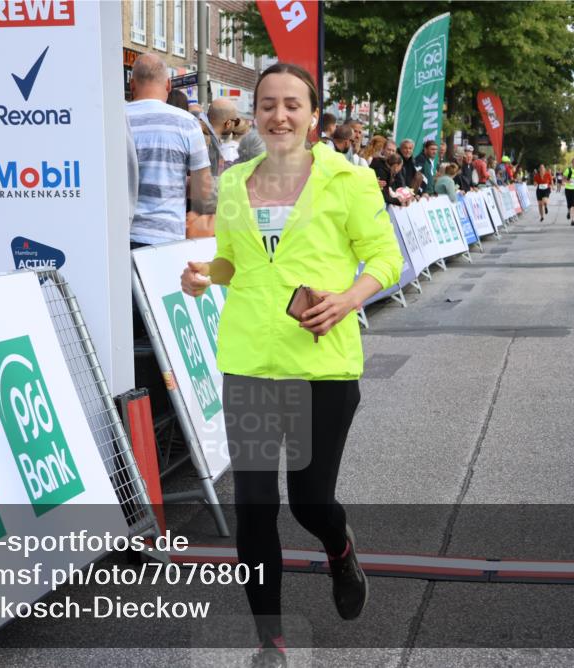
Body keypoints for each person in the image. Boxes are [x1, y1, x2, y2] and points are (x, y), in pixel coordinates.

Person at [180, 63, 403, 667]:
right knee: (254, 506)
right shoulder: (235, 183)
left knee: (309, 503)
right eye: (268, 105)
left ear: (311, 115)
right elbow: (232, 262)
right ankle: (270, 641)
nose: (279, 116)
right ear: (255, 113)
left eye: (292, 105)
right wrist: (205, 277)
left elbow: (385, 256)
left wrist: (349, 299)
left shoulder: (348, 180)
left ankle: (339, 547)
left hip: (321, 366)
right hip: (251, 361)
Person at [126, 53, 211, 247]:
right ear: (168, 85)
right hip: (166, 238)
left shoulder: (115, 119)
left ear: (132, 85)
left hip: (120, 236)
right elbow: (203, 192)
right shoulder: (187, 123)